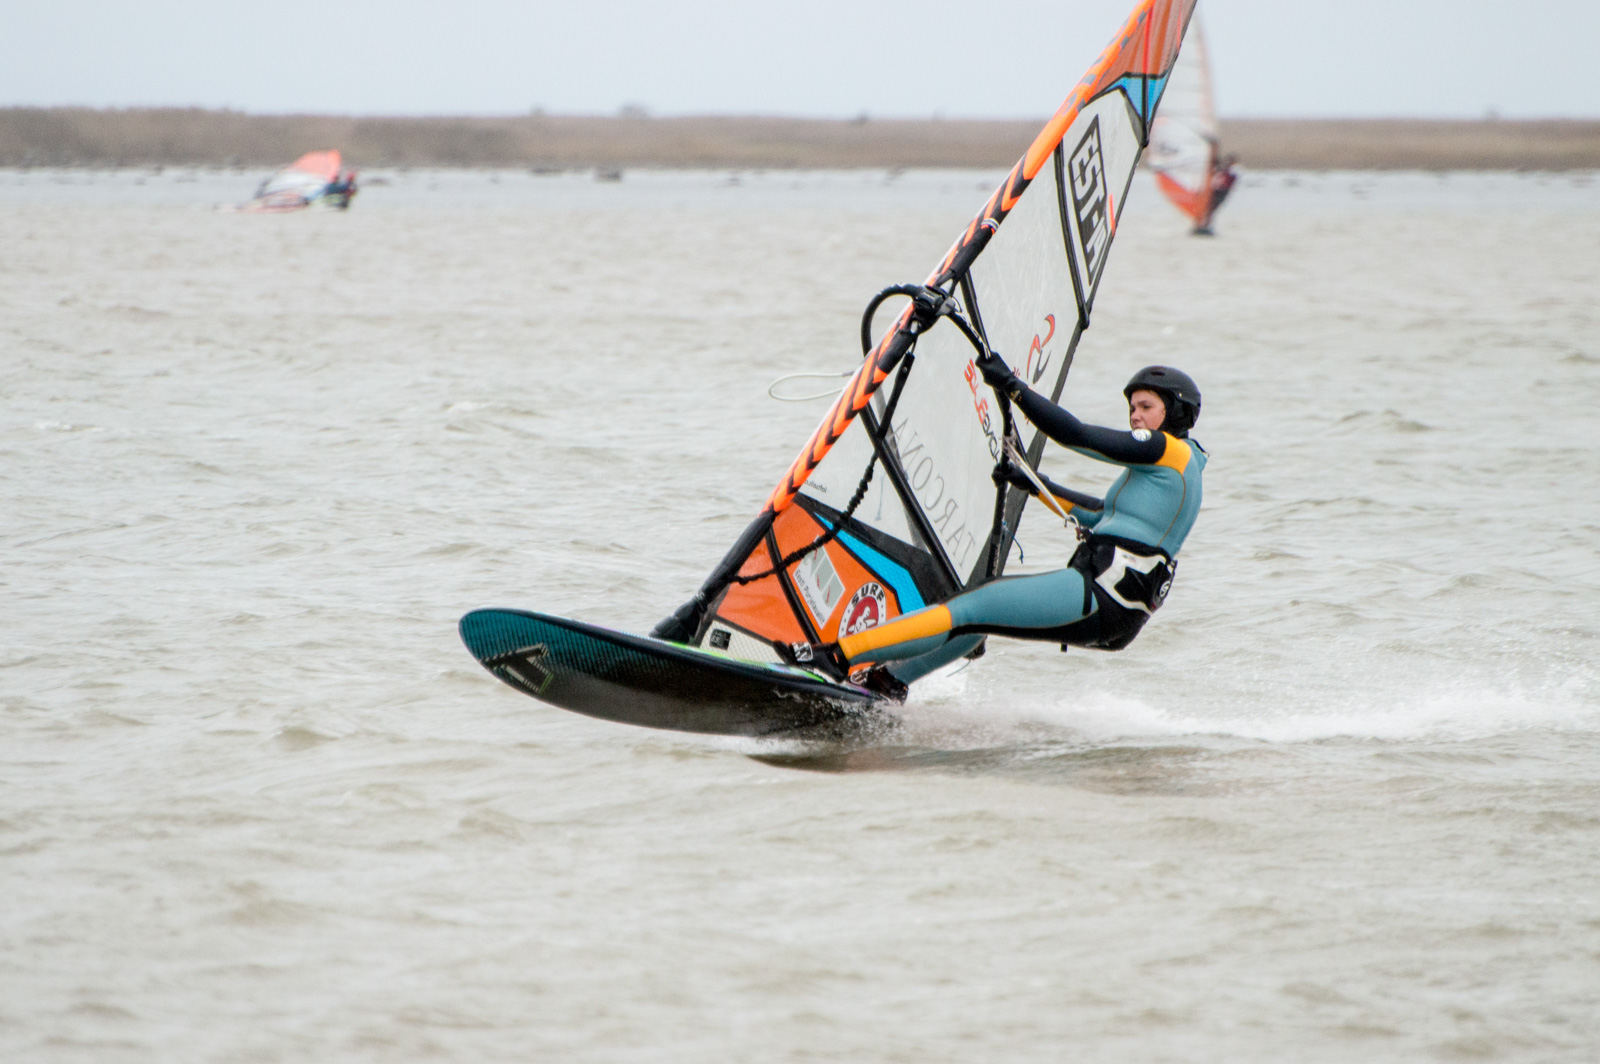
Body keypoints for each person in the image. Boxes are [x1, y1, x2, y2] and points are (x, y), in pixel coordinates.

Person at [784, 360, 1206, 700]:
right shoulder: (1173, 472)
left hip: (1099, 594)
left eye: (1146, 406)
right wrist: (1035, 485)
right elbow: (1098, 516)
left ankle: (835, 658)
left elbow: (1076, 435)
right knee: (977, 622)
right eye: (1132, 407)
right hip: (1117, 612)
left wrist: (1013, 387)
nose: (1135, 415)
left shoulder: (1168, 450)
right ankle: (885, 683)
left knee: (970, 605)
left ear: (1177, 413)